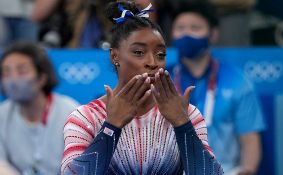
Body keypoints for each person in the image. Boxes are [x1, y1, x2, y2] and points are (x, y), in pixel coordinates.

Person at [61, 1, 223, 175]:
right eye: (138, 52)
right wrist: (112, 125)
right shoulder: (86, 117)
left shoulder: (186, 114)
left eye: (160, 54)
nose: (153, 63)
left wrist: (182, 125)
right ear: (115, 56)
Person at [170, 1, 266, 175]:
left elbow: (250, 141)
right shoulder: (161, 80)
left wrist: (247, 170)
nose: (186, 34)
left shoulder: (238, 81)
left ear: (213, 34)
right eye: (180, 28)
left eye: (195, 28)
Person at [0, 41, 79, 175]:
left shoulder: (71, 112)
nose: (13, 80)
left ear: (42, 78)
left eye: (22, 71)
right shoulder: (2, 113)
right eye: (6, 73)